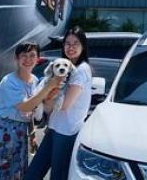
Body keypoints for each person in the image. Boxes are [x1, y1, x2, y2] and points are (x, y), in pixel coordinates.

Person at [0, 42, 63, 180]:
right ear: (17, 58)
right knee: (1, 172)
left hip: (20, 133)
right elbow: (25, 106)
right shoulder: (9, 81)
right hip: (1, 131)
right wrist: (48, 87)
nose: (28, 59)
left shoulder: (34, 80)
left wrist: (32, 134)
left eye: (32, 55)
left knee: (15, 172)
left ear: (38, 59)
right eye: (24, 55)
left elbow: (32, 110)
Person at [25, 26, 92, 180]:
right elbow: (49, 108)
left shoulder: (81, 70)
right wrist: (47, 97)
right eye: (67, 43)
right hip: (54, 127)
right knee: (33, 172)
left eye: (76, 43)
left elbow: (64, 105)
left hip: (67, 130)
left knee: (58, 175)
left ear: (83, 46)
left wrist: (47, 96)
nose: (71, 47)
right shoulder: (62, 68)